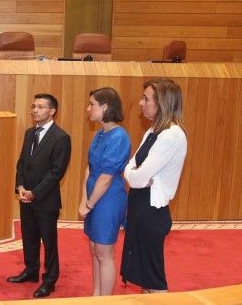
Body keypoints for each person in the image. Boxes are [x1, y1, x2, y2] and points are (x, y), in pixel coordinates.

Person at [120, 79, 187, 293]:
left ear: (162, 103)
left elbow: (139, 179)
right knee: (142, 277)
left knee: (153, 279)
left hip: (152, 212)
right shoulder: (151, 132)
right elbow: (130, 168)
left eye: (146, 98)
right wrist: (133, 173)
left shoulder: (172, 135)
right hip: (139, 207)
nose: (141, 103)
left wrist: (134, 174)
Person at [7, 93, 71, 298]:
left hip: (45, 200)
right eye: (34, 106)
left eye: (40, 107)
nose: (35, 110)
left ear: (52, 111)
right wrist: (20, 187)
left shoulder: (61, 137)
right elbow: (22, 163)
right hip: (26, 196)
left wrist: (35, 193)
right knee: (29, 237)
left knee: (49, 242)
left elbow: (56, 172)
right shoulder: (29, 133)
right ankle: (31, 270)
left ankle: (50, 280)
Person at [78, 87, 131, 296]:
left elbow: (107, 177)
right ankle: (96, 296)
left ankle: (105, 300)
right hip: (94, 197)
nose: (88, 108)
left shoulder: (119, 136)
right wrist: (85, 199)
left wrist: (89, 204)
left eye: (92, 104)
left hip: (107, 199)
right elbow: (89, 168)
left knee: (104, 252)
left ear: (105, 107)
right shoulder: (100, 133)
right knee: (94, 249)